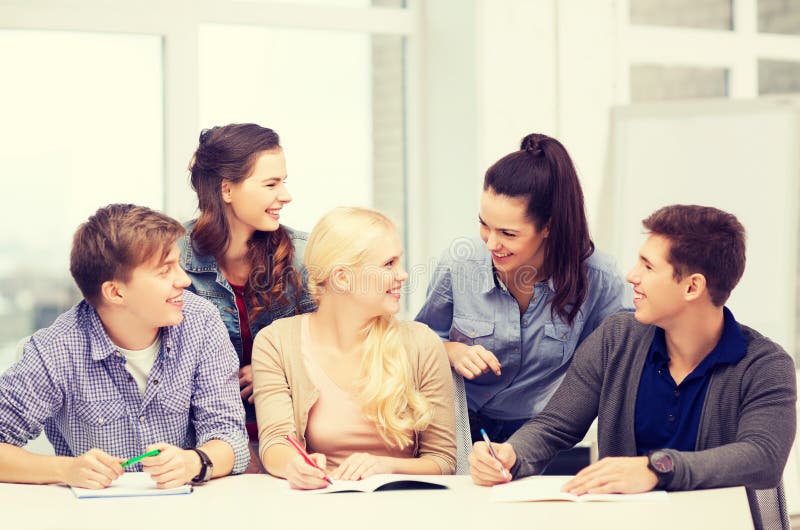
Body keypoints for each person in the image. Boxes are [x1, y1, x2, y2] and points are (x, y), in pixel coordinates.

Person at [469, 205, 796, 528]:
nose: (631, 276)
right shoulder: (616, 338)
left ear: (692, 287)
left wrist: (655, 469)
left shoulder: (764, 365)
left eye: (648, 267)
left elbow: (762, 457)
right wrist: (511, 454)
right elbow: (556, 425)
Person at [0, 204, 249, 489]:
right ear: (116, 292)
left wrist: (194, 461)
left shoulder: (201, 323)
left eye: (178, 265)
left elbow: (230, 437)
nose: (183, 280)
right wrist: (67, 469)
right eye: (164, 271)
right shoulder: (56, 349)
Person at [416, 133, 630, 443]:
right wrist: (452, 351)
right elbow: (420, 342)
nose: (491, 243)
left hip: (541, 434)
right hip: (459, 422)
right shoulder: (458, 264)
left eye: (508, 233)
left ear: (549, 227)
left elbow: (621, 358)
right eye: (484, 224)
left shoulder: (599, 276)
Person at [252, 207, 456, 489]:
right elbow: (275, 443)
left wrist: (386, 467)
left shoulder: (421, 343)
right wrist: (295, 467)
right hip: (319, 501)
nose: (404, 275)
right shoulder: (275, 343)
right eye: (389, 264)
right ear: (342, 278)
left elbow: (443, 460)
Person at [179, 123, 315, 465]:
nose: (285, 195)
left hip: (292, 439)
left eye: (284, 182)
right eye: (271, 184)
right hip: (203, 445)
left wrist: (279, 364)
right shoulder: (173, 256)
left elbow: (348, 341)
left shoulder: (304, 255)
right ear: (227, 189)